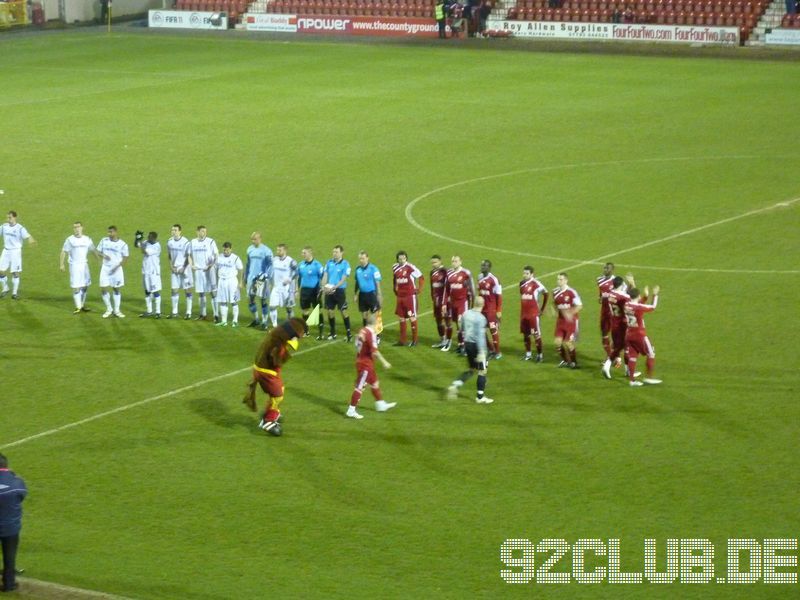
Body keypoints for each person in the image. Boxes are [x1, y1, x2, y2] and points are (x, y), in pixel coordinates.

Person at [243, 318, 306, 436]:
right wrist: (283, 357)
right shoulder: (277, 345)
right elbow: (275, 359)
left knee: (280, 390)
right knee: (278, 395)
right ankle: (268, 421)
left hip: (264, 371)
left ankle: (270, 413)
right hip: (267, 373)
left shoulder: (275, 337)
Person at [346, 312, 396, 419]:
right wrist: (384, 362)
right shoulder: (371, 333)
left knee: (375, 383)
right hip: (365, 365)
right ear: (374, 323)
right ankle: (351, 410)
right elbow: (375, 352)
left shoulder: (362, 330)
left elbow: (357, 345)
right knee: (360, 387)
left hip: (363, 361)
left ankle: (380, 404)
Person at [446, 296, 493, 404]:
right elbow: (480, 336)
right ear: (483, 305)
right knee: (482, 371)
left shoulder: (466, 314)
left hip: (467, 344)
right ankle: (480, 397)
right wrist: (481, 351)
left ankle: (455, 385)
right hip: (476, 345)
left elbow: (461, 328)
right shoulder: (481, 318)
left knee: (472, 369)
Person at [624, 286, 662, 387]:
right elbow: (652, 307)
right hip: (639, 335)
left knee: (632, 357)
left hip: (629, 335)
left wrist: (645, 296)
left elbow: (637, 303)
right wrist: (655, 294)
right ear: (638, 296)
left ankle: (632, 381)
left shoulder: (626, 305)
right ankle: (648, 378)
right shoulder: (638, 308)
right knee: (651, 353)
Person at [0, 453, 27, 594]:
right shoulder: (17, 483)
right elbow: (22, 495)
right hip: (10, 527)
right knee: (9, 556)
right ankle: (9, 584)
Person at [59, 221, 96, 314]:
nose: (76, 229)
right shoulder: (70, 240)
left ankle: (82, 305)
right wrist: (61, 264)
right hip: (74, 265)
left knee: (85, 286)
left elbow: (93, 250)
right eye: (74, 227)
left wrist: (99, 259)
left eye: (78, 227)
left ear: (82, 227)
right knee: (76, 287)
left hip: (84, 265)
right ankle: (78, 307)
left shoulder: (87, 239)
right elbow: (64, 251)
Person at [441, 255, 475, 354]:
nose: (454, 263)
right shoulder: (449, 273)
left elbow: (472, 288)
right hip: (452, 303)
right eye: (452, 261)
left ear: (460, 262)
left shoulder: (466, 273)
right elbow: (446, 289)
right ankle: (460, 345)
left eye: (456, 261)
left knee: (461, 324)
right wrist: (444, 303)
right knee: (457, 323)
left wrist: (473, 302)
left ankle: (465, 346)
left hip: (462, 302)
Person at [0, 211, 36, 300]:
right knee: (1, 271)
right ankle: (5, 288)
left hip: (15, 252)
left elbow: (28, 236)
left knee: (15, 272)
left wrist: (31, 240)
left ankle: (14, 293)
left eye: (10, 218)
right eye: (7, 218)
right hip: (6, 251)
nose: (8, 219)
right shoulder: (4, 227)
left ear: (15, 217)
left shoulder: (20, 228)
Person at [549, 272, 582, 369]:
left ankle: (574, 363)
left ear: (566, 280)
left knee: (568, 343)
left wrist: (570, 313)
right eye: (558, 279)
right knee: (557, 343)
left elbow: (579, 306)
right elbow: (555, 303)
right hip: (561, 321)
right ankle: (566, 361)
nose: (559, 281)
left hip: (571, 322)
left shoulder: (572, 292)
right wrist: (554, 311)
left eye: (561, 279)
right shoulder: (555, 291)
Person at [96, 225, 129, 319]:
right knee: (103, 288)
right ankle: (109, 309)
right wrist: (104, 255)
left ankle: (117, 310)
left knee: (116, 289)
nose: (109, 234)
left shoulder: (122, 244)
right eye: (108, 232)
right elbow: (97, 251)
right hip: (105, 268)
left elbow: (126, 256)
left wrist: (118, 266)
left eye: (110, 232)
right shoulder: (104, 240)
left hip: (116, 270)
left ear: (115, 232)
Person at [321, 245, 352, 342]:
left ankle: (348, 333)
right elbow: (325, 275)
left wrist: (335, 287)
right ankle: (333, 332)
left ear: (342, 253)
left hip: (339, 291)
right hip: (329, 290)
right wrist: (323, 286)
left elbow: (343, 279)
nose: (334, 254)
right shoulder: (329, 263)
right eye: (333, 252)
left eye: (336, 252)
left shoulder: (346, 264)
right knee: (330, 311)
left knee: (343, 311)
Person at [601, 275, 630, 380]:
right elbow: (634, 301)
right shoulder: (624, 297)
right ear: (622, 285)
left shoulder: (609, 295)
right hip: (623, 325)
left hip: (614, 324)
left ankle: (628, 370)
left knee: (620, 346)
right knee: (625, 347)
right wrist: (632, 284)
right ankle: (608, 365)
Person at [392, 251, 423, 347]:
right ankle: (402, 340)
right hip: (400, 296)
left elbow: (421, 277)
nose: (402, 260)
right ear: (397, 259)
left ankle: (415, 340)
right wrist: (394, 289)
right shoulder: (395, 267)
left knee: (412, 317)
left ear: (406, 258)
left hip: (410, 296)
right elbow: (395, 278)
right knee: (401, 318)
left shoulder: (410, 267)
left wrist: (419, 289)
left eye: (403, 258)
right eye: (400, 259)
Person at [190, 225, 219, 322]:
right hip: (198, 271)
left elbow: (216, 255)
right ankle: (203, 314)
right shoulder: (193, 242)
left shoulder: (210, 241)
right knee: (201, 293)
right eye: (202, 231)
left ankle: (216, 315)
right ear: (197, 232)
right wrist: (191, 265)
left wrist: (211, 265)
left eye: (205, 231)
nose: (204, 233)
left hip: (209, 271)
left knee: (212, 292)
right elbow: (189, 255)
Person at [519, 265, 548, 362]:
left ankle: (540, 355)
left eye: (527, 273)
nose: (525, 275)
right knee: (525, 334)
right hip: (524, 314)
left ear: (532, 274)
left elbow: (546, 293)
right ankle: (528, 354)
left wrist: (542, 309)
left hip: (533, 314)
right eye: (524, 273)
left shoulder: (536, 284)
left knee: (536, 335)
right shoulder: (522, 283)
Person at [245, 232, 272, 328]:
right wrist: (245, 277)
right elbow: (248, 264)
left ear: (260, 239)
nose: (253, 241)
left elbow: (270, 266)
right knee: (250, 299)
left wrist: (268, 278)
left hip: (261, 279)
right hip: (251, 278)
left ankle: (264, 322)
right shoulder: (249, 249)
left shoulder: (266, 251)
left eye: (255, 239)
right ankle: (256, 319)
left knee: (263, 300)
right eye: (252, 239)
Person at [267, 244, 297, 329]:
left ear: (285, 251)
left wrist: (290, 279)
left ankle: (291, 326)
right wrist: (269, 282)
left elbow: (296, 272)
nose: (278, 252)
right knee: (272, 306)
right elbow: (270, 271)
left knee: (289, 308)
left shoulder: (290, 261)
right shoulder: (274, 260)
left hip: (286, 289)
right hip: (276, 287)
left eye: (280, 250)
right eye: (277, 250)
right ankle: (275, 326)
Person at [166, 224, 194, 320]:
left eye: (175, 230)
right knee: (174, 290)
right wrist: (171, 266)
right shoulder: (169, 241)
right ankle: (174, 312)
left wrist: (184, 267)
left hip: (185, 270)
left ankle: (189, 312)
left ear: (180, 231)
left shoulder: (186, 242)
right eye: (172, 230)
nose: (173, 231)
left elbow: (188, 256)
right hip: (174, 269)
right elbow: (169, 255)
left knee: (187, 290)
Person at [296, 246, 324, 337]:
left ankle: (321, 332)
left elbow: (323, 276)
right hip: (304, 290)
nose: (302, 254)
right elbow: (299, 277)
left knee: (318, 310)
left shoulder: (317, 265)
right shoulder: (301, 265)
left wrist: (321, 288)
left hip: (314, 290)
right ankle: (306, 331)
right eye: (302, 253)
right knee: (305, 310)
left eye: (304, 253)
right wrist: (297, 289)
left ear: (310, 253)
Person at [477, 259, 503, 359]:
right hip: (481, 309)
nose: (482, 267)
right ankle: (491, 349)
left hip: (491, 310)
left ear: (489, 267)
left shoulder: (494, 279)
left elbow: (499, 296)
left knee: (493, 330)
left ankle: (497, 352)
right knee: (482, 330)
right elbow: (480, 293)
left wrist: (499, 310)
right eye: (482, 265)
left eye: (484, 266)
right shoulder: (479, 277)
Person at [214, 242, 244, 327]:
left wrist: (241, 282)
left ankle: (235, 321)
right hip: (221, 281)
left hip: (232, 281)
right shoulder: (219, 257)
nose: (225, 251)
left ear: (231, 249)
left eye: (227, 249)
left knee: (233, 301)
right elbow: (216, 269)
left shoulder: (235, 258)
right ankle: (224, 321)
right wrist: (217, 281)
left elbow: (241, 269)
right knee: (222, 301)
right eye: (224, 249)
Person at [354, 251, 382, 327]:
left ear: (367, 258)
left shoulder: (373, 269)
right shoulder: (357, 269)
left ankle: (377, 335)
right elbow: (357, 283)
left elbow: (377, 283)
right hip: (362, 295)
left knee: (375, 314)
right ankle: (366, 332)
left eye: (363, 258)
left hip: (372, 294)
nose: (361, 260)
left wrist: (379, 294)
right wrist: (356, 294)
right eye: (360, 259)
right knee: (364, 315)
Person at [139, 231, 162, 318]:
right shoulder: (146, 242)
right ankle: (149, 311)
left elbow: (144, 251)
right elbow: (136, 245)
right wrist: (137, 238)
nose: (148, 239)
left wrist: (140, 241)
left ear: (154, 238)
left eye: (150, 237)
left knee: (155, 291)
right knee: (147, 291)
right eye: (148, 237)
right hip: (146, 271)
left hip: (153, 272)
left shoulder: (157, 246)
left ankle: (158, 312)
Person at [597, 262, 616, 360]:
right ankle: (610, 356)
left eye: (607, 268)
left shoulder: (616, 281)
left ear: (612, 270)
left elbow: (625, 293)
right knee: (604, 333)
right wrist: (600, 297)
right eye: (604, 268)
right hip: (604, 310)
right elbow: (601, 291)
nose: (605, 269)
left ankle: (612, 357)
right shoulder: (599, 280)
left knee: (615, 334)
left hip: (614, 312)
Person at [429, 255, 449, 348]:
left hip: (444, 300)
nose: (433, 264)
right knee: (438, 320)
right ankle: (443, 340)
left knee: (447, 320)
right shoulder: (432, 272)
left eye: (435, 262)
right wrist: (433, 297)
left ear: (440, 261)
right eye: (432, 262)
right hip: (436, 300)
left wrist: (446, 300)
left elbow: (447, 287)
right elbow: (432, 286)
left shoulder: (445, 272)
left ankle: (449, 341)